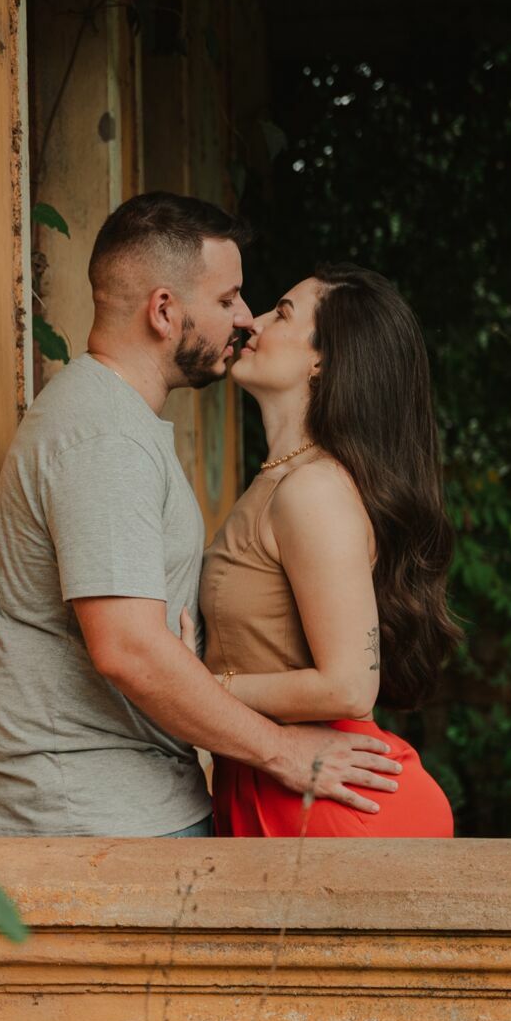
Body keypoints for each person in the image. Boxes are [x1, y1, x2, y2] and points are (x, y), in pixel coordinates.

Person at [0, 192, 402, 838]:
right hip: (99, 820)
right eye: (228, 298)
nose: (245, 318)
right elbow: (129, 649)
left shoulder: (126, 428)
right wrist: (286, 753)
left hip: (135, 806)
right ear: (164, 310)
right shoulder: (105, 439)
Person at [199, 264, 461, 837]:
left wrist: (194, 693)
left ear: (323, 361)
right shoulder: (283, 481)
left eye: (283, 313)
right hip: (294, 782)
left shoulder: (314, 490)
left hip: (336, 801)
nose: (254, 320)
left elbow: (348, 685)